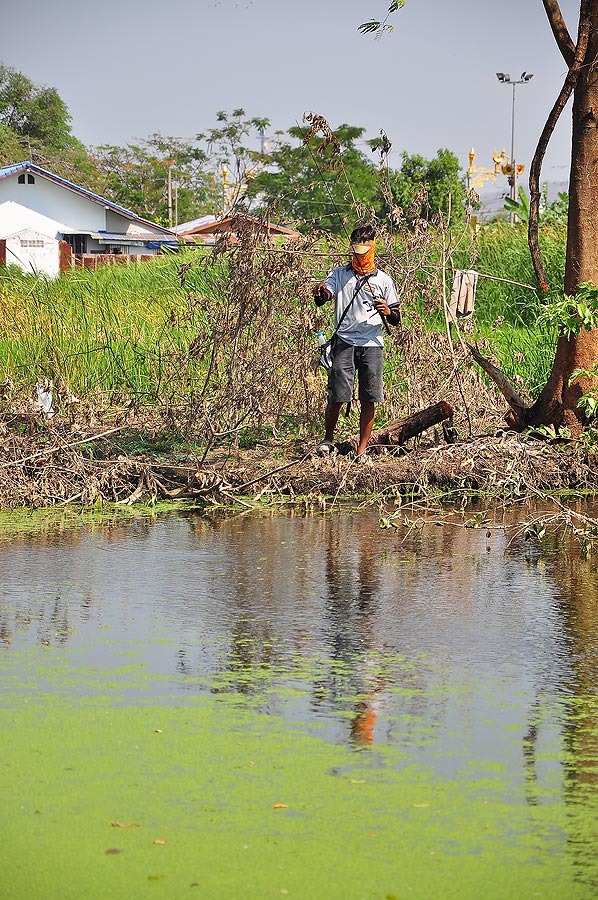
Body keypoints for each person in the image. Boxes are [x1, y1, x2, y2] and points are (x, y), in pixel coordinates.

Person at [313, 224, 400, 461]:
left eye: (364, 253)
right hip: (344, 341)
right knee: (338, 394)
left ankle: (361, 450)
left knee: (369, 397)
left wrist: (387, 311)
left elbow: (396, 319)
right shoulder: (339, 274)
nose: (359, 258)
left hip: (372, 344)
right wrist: (320, 292)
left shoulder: (383, 280)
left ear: (372, 249)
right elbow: (323, 297)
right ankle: (327, 440)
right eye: (356, 252)